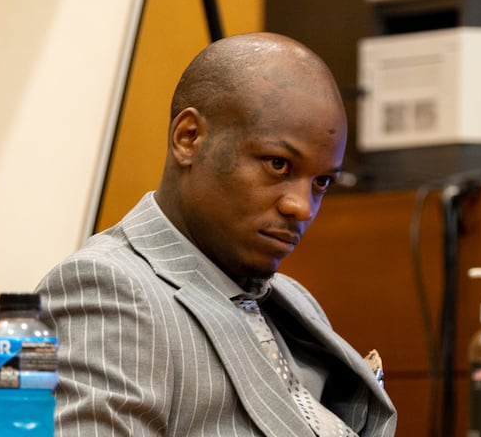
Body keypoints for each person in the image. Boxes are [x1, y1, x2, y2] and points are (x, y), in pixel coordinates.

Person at [35, 32, 398, 436]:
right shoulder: (108, 287)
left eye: (322, 182)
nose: (302, 206)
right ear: (188, 138)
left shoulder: (294, 300)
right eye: (278, 164)